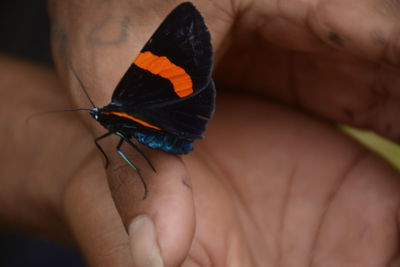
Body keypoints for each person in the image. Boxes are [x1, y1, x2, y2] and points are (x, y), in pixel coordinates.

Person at [2, 0, 400, 266]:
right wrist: (67, 162)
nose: (96, 117)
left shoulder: (117, 107)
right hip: (172, 125)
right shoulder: (118, 111)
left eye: (96, 113)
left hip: (170, 126)